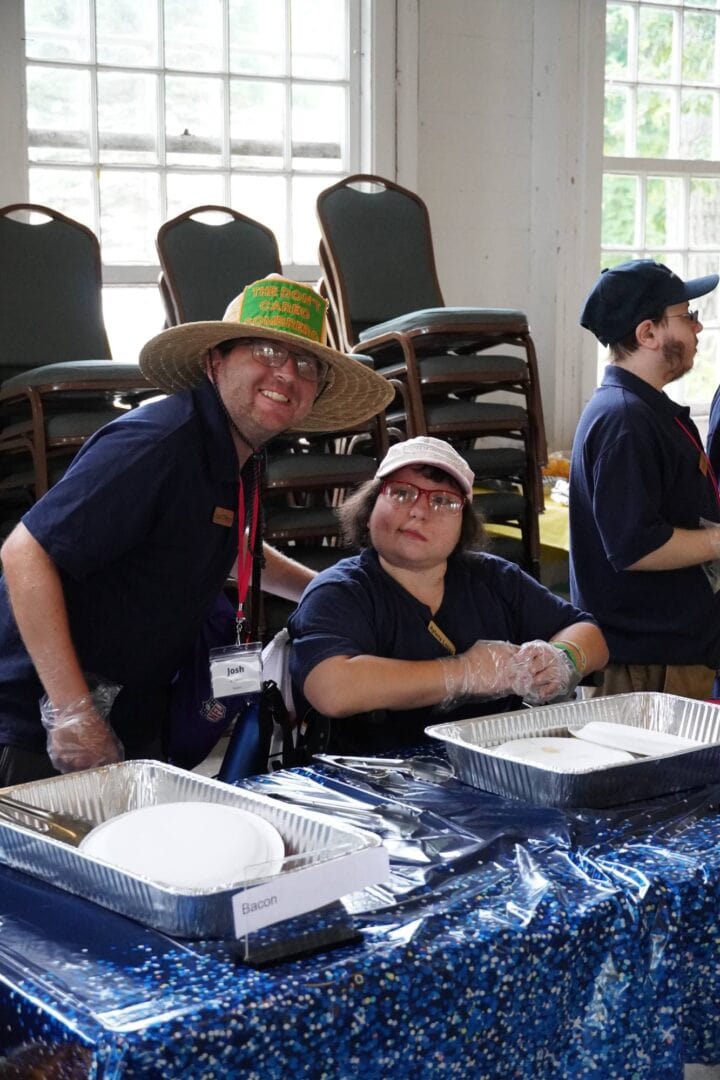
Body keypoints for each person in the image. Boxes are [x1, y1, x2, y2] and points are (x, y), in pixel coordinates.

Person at [0, 276, 394, 785]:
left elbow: (222, 546)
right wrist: (73, 711)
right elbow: (25, 554)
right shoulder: (158, 444)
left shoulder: (239, 451)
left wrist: (324, 589)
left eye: (306, 364)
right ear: (215, 362)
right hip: (41, 725)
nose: (287, 374)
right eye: (266, 350)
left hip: (127, 709)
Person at [288, 437, 608, 754]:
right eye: (402, 493)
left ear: (463, 524)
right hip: (372, 786)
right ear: (370, 508)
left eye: (443, 501)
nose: (419, 512)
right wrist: (464, 672)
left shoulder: (494, 578)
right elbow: (331, 688)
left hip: (492, 771)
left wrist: (562, 657)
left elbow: (589, 633)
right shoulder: (339, 591)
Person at [570, 258, 720, 699]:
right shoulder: (625, 420)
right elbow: (637, 546)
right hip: (646, 667)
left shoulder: (644, 411)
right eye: (686, 317)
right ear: (648, 333)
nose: (697, 329)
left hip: (670, 653)